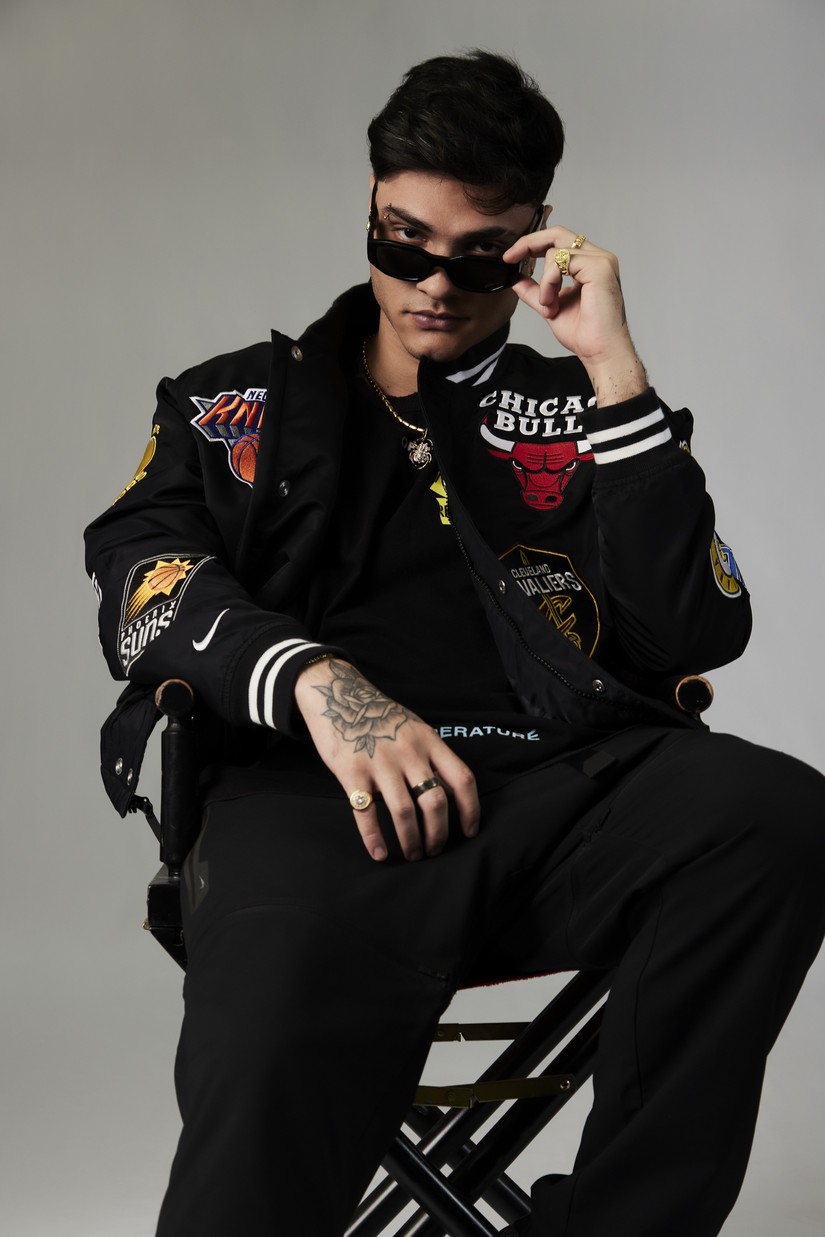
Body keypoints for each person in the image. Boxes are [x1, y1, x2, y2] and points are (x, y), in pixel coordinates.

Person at [85, 49, 825, 1237]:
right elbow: (142, 570)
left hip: (558, 797)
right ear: (370, 212)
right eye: (403, 243)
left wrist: (612, 365)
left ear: (535, 241)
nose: (433, 283)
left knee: (776, 814)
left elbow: (698, 627)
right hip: (312, 805)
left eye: (478, 255)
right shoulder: (233, 407)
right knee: (268, 1037)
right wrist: (315, 679)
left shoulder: (581, 412)